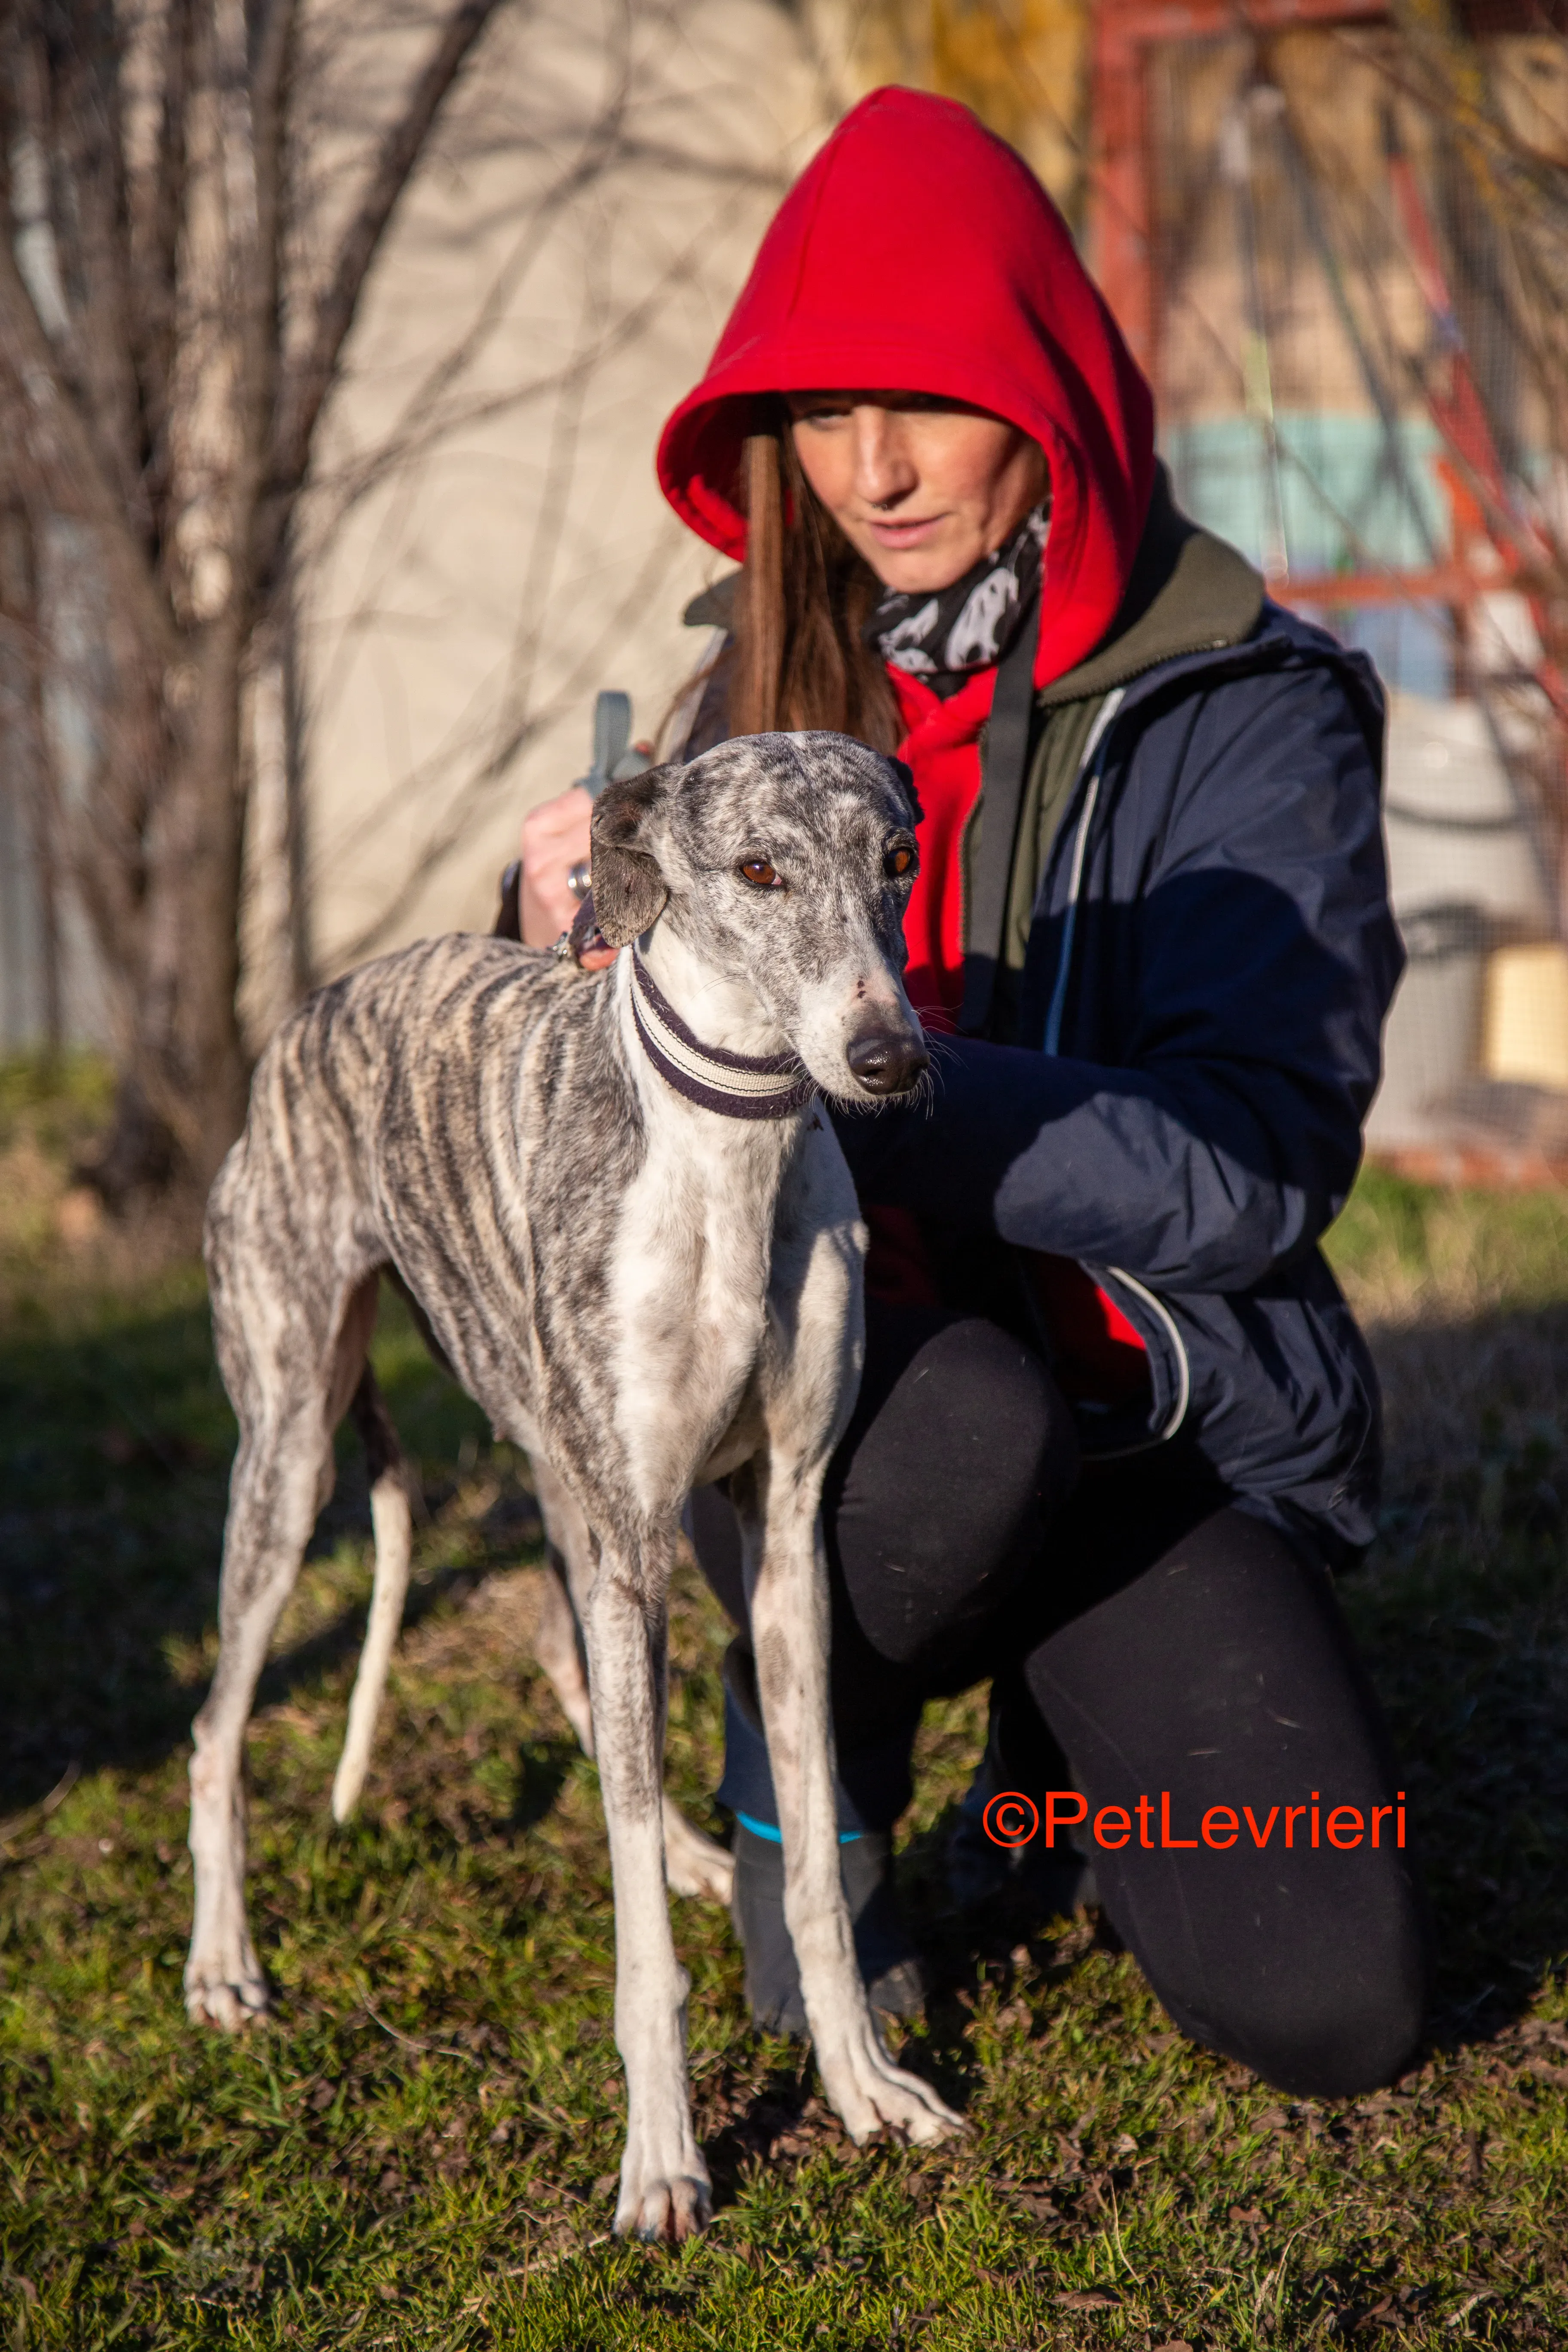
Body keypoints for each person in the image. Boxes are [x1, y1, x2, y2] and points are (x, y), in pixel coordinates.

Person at [511, 87, 1429, 2100]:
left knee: (1332, 2004)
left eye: (927, 399)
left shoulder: (1247, 713)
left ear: (1051, 396)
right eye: (827, 413)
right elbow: (600, 1087)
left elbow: (1258, 1166)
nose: (877, 467)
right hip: (856, 1404)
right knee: (956, 1433)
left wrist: (880, 1085)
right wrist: (557, 932)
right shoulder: (740, 704)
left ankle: (1043, 1760)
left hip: (1151, 1423)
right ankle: (807, 1778)